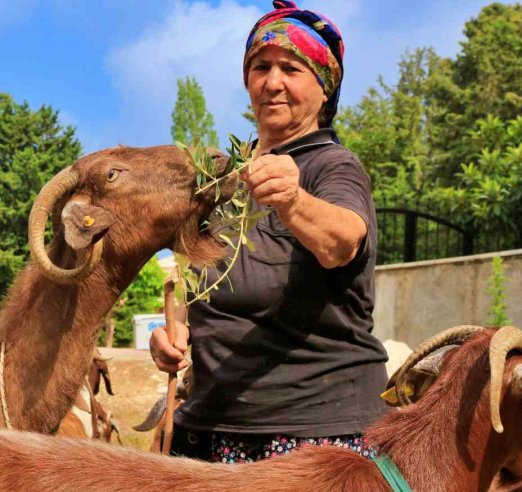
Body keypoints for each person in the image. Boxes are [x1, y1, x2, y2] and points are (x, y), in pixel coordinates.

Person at [149, 0, 388, 463]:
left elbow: (343, 242)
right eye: (261, 66)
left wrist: (295, 201)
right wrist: (172, 332)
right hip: (211, 429)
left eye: (292, 69)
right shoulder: (223, 180)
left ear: (324, 88)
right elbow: (201, 286)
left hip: (315, 437)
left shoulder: (333, 166)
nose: (272, 82)